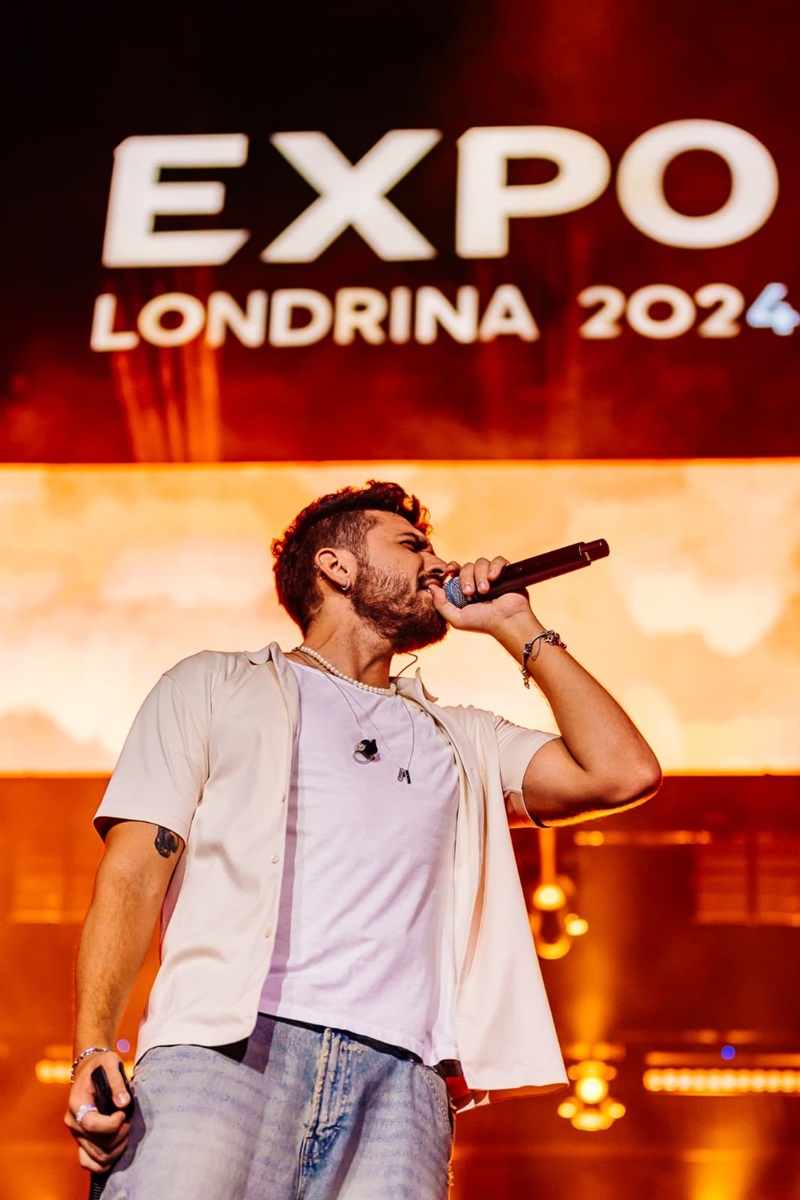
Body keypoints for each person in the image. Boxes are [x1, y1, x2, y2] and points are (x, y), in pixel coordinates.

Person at [64, 480, 661, 1199]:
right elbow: (132, 875)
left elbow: (623, 772)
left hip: (400, 1084)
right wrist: (94, 1043)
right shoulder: (213, 687)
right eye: (412, 546)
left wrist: (515, 626)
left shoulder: (462, 738)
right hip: (225, 1054)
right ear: (336, 567)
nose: (439, 565)